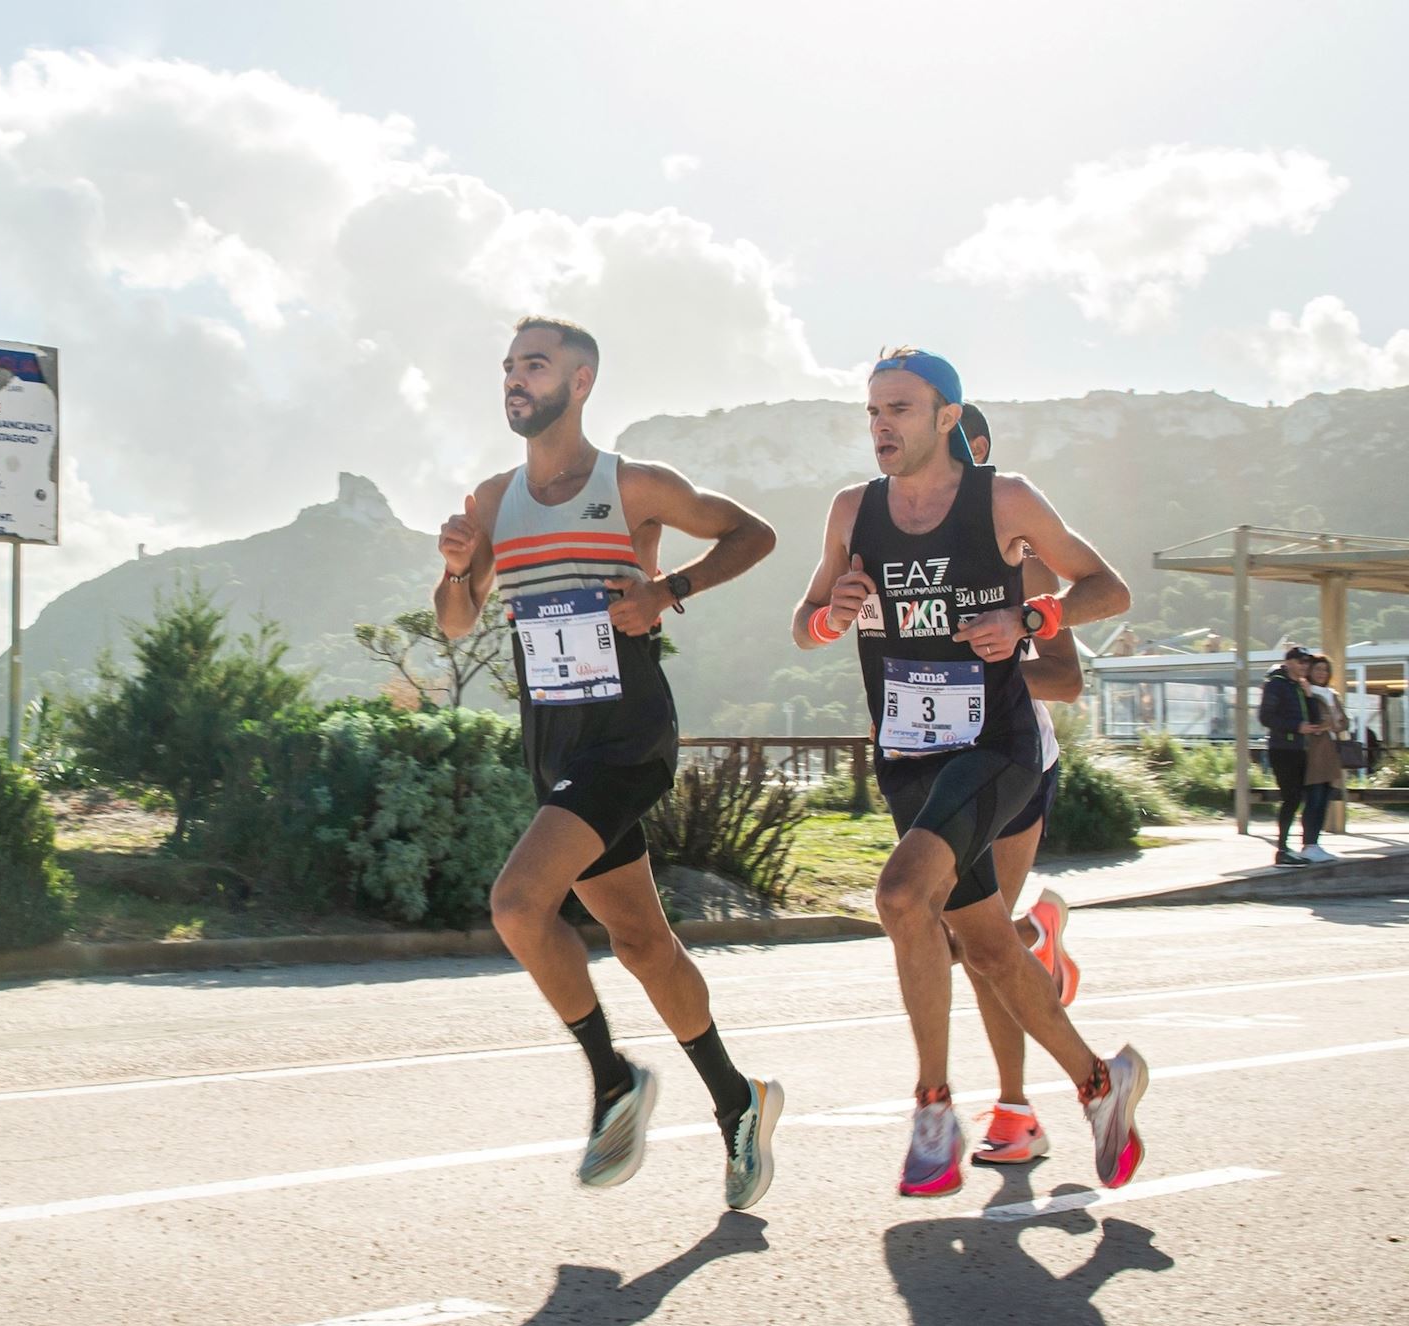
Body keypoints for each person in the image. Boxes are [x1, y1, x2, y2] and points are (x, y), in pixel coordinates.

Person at [436, 316, 783, 1210]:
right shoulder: (489, 502)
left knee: (517, 902)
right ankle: (738, 1102)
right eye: (508, 368)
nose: (515, 380)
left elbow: (753, 534)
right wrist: (454, 568)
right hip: (552, 743)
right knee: (642, 943)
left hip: (626, 734)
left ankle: (612, 1078)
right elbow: (454, 621)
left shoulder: (632, 487)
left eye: (535, 366)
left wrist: (670, 591)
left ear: (580, 381)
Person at [791, 348, 1147, 1198]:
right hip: (907, 757)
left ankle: (933, 1109)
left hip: (995, 746)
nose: (882, 426)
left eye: (901, 410)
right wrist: (826, 617)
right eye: (873, 411)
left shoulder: (1006, 500)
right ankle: (1102, 1084)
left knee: (901, 896)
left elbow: (1109, 587)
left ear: (949, 417)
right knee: (987, 947)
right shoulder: (852, 510)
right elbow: (804, 622)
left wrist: (1030, 614)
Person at [958, 402, 1083, 1165]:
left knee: (980, 945)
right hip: (934, 762)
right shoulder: (892, 541)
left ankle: (1016, 1113)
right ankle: (1039, 939)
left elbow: (1066, 681)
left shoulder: (1024, 558)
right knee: (971, 940)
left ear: (972, 450)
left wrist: (999, 662)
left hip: (1014, 760)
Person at [1258, 645, 1327, 867]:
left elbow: (1314, 720)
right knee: (1291, 798)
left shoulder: (1300, 686)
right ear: (1288, 662)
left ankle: (1304, 846)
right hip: (1282, 749)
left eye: (1306, 663)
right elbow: (1266, 717)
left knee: (1302, 797)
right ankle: (1282, 849)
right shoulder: (1276, 685)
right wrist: (1296, 727)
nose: (1304, 667)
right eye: (1300, 662)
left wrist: (1308, 696)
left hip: (1300, 749)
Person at [1301, 654, 1349, 862]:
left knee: (1325, 798)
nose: (1321, 673)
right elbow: (1314, 722)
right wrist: (1329, 723)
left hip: (1331, 752)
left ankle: (1315, 842)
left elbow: (1343, 722)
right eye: (1318, 669)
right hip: (1314, 752)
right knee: (1314, 797)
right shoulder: (1306, 692)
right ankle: (1308, 843)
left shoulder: (1331, 694)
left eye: (1325, 670)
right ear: (1311, 671)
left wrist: (1332, 723)